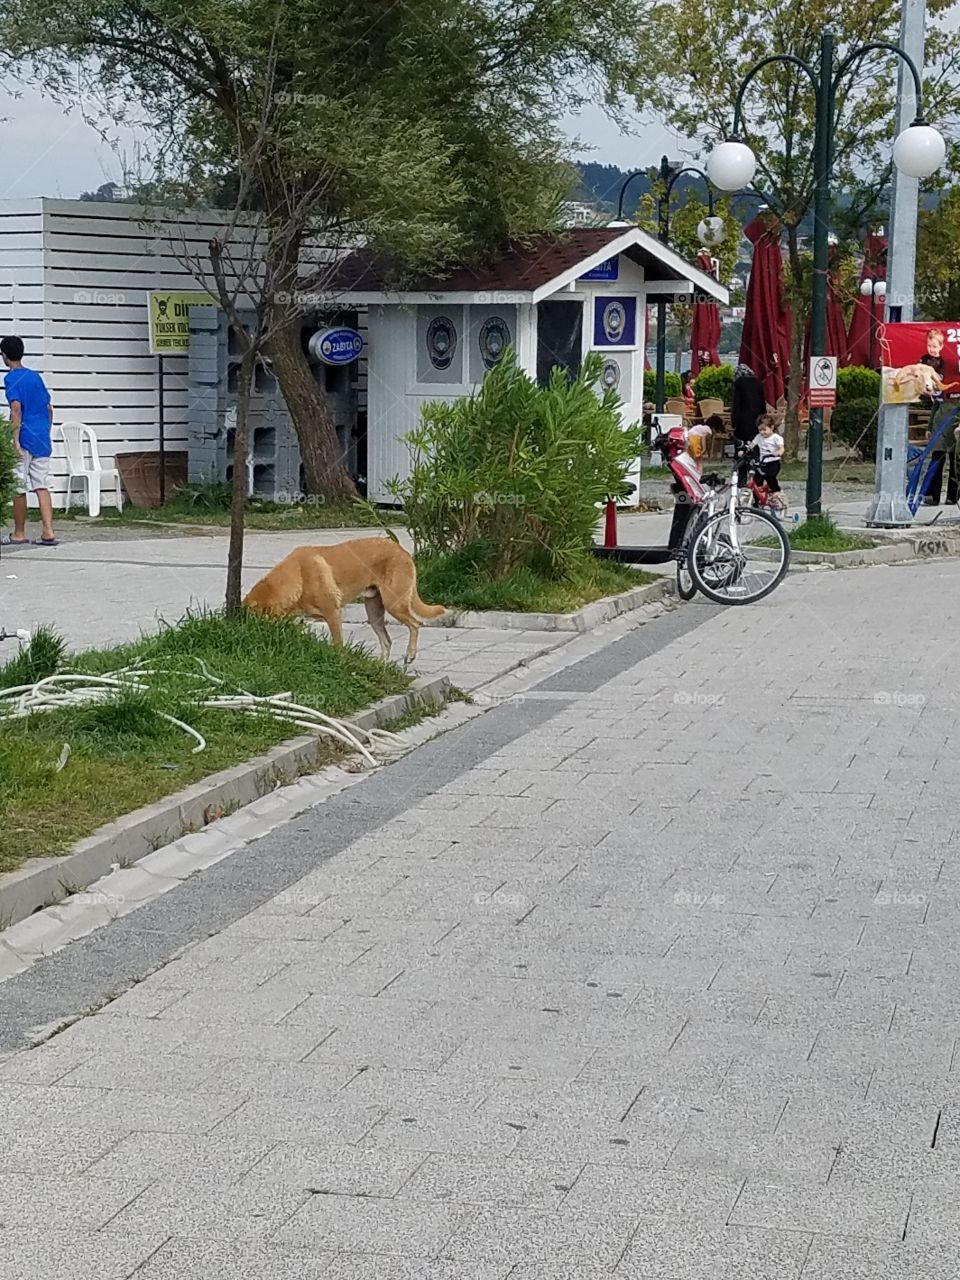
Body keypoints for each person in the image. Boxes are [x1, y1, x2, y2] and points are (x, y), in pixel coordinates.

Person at [2, 336, 56, 545]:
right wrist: (46, 431)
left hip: (24, 437)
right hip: (42, 437)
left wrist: (14, 440)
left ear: (4, 356)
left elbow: (16, 410)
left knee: (18, 485)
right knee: (41, 485)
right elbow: (49, 408)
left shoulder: (11, 378)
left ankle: (19, 533)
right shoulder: (35, 377)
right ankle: (48, 531)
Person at [919, 329, 957, 506]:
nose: (932, 349)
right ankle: (931, 495)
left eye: (935, 346)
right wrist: (928, 427)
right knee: (937, 458)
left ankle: (953, 496)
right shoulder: (936, 371)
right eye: (930, 345)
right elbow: (936, 403)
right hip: (939, 424)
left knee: (955, 462)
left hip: (955, 426)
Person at [750, 412, 785, 501]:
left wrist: (779, 452)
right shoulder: (759, 437)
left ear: (772, 427)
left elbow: (781, 448)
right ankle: (756, 500)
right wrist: (745, 449)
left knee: (770, 476)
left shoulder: (776, 438)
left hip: (773, 462)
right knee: (756, 481)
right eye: (760, 430)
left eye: (764, 430)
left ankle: (776, 491)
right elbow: (752, 445)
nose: (762, 432)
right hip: (762, 463)